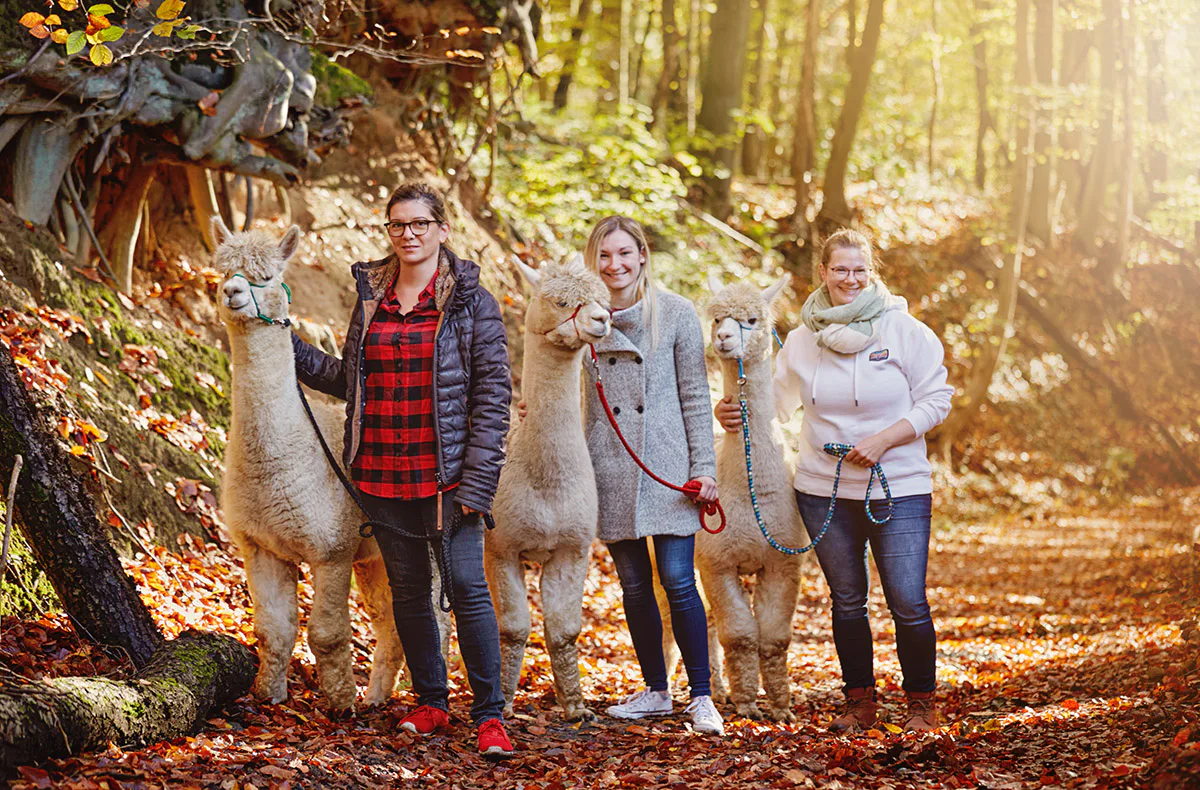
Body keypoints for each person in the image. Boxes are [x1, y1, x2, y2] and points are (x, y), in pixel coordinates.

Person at [291, 182, 515, 758]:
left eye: (419, 224)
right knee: (409, 590)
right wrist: (280, 341)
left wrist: (479, 481)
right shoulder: (372, 298)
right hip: (382, 470)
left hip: (449, 477)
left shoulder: (472, 302)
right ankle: (432, 701)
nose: (408, 234)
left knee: (467, 587)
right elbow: (349, 379)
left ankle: (490, 714)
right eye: (397, 225)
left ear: (442, 229)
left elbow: (493, 400)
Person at [715, 229, 952, 733]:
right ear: (822, 272)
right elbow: (774, 404)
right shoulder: (803, 341)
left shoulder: (903, 331)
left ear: (871, 273)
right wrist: (729, 411)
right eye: (840, 269)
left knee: (907, 600)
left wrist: (884, 440)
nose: (850, 278)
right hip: (823, 491)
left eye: (859, 270)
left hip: (898, 487)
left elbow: (937, 400)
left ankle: (920, 705)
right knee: (847, 601)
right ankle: (859, 703)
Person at [582, 216, 725, 736]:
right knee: (634, 585)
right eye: (604, 255)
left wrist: (704, 468)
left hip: (668, 468)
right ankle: (656, 691)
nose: (614, 265)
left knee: (679, 580)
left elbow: (695, 396)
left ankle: (702, 696)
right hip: (610, 463)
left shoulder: (677, 313)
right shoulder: (584, 320)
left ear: (642, 254)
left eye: (624, 253)